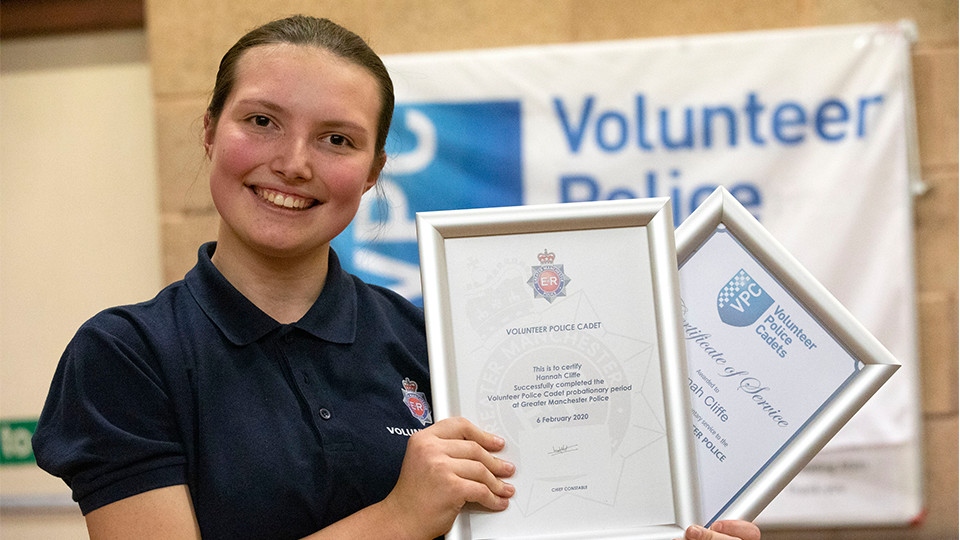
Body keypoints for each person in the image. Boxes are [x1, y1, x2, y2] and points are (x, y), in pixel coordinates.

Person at [32, 14, 761, 540]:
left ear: (375, 171)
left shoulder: (430, 337)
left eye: (337, 139)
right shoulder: (127, 354)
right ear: (209, 130)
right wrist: (398, 518)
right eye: (261, 121)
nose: (293, 163)